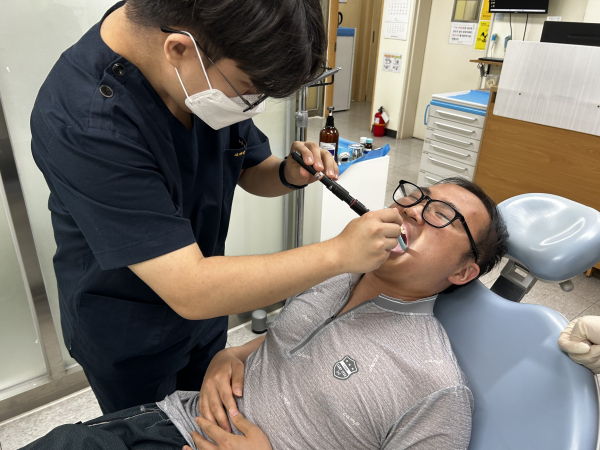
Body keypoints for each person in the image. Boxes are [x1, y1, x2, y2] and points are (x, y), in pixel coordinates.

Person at [30, 0, 405, 414]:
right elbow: (190, 288)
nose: (252, 103)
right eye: (247, 89)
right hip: (128, 333)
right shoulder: (85, 122)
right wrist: (339, 254)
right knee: (154, 433)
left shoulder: (207, 67)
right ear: (179, 49)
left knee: (209, 414)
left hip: (207, 313)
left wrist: (286, 173)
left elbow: (250, 168)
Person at [21, 177, 509, 450]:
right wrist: (230, 355)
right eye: (417, 196)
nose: (414, 211)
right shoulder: (331, 275)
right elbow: (289, 344)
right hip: (172, 423)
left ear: (464, 272)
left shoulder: (435, 386)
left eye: (443, 215)